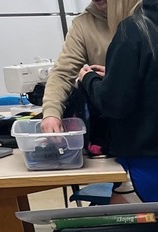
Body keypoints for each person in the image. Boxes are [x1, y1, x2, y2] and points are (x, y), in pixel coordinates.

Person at [76, 0, 158, 203]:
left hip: (146, 161)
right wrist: (116, 76)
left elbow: (113, 104)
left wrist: (88, 80)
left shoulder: (132, 28)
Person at [40, 0, 112, 140]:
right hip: (111, 124)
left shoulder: (149, 16)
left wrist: (116, 75)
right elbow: (63, 73)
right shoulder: (83, 24)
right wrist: (51, 113)